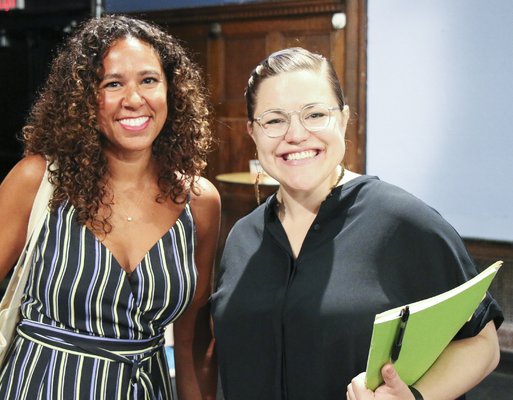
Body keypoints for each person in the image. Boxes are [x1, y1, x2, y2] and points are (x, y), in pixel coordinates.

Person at [0, 15, 220, 400]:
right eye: (113, 84)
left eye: (149, 80)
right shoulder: (38, 181)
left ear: (172, 90)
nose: (134, 99)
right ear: (84, 98)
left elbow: (193, 339)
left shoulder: (199, 203)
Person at [210, 47, 503, 400]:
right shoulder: (243, 236)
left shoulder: (403, 221)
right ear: (253, 133)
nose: (296, 134)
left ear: (344, 119)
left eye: (315, 114)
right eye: (274, 120)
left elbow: (482, 344)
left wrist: (416, 396)